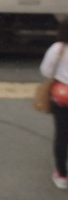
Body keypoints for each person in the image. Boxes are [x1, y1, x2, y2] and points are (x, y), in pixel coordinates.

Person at [40, 17, 68, 189]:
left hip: (63, 96)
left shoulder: (58, 48)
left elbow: (46, 70)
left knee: (62, 134)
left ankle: (62, 175)